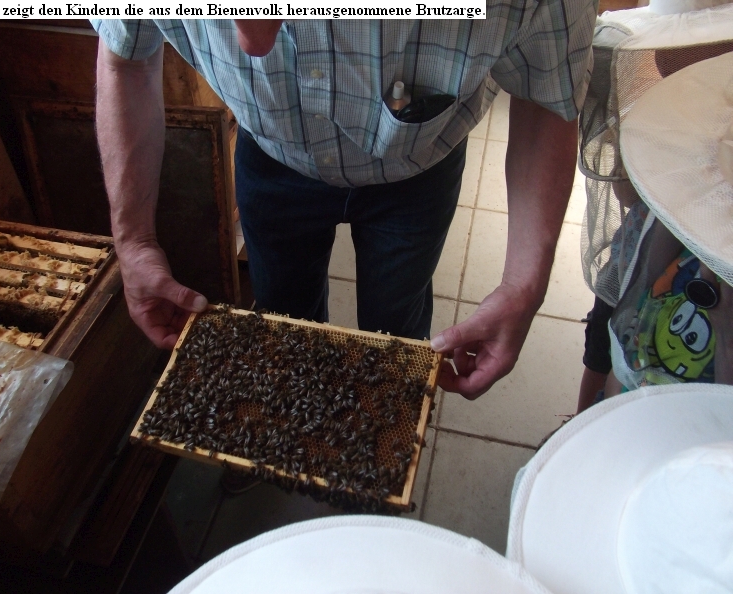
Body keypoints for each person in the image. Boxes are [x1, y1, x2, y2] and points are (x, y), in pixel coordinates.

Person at [91, 11, 597, 400]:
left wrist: (523, 284)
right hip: (271, 155)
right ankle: (287, 416)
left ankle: (387, 427)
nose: (252, 44)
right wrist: (133, 240)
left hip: (417, 171)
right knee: (283, 318)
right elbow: (125, 58)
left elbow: (546, 95)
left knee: (396, 331)